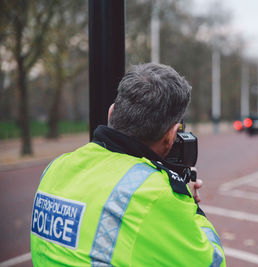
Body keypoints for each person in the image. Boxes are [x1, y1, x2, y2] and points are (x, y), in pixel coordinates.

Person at [30, 63, 226, 266]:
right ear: (171, 135)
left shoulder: (56, 168)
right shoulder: (153, 193)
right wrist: (190, 205)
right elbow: (212, 262)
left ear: (111, 113)